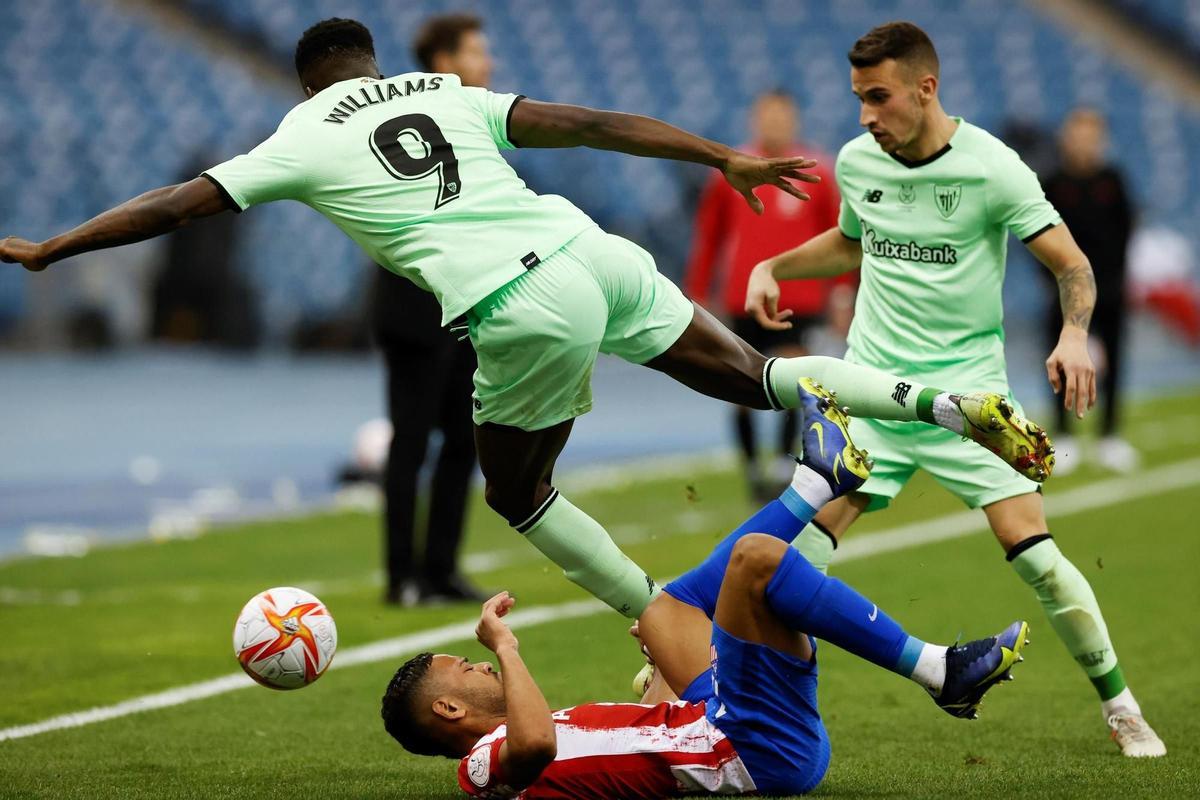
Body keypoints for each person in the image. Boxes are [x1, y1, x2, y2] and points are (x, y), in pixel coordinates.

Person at [1, 18, 1051, 636]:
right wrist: (717, 157)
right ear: (373, 63)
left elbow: (177, 203)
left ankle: (654, 614)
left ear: (313, 82)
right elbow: (589, 123)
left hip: (516, 301)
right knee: (758, 374)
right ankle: (934, 398)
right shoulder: (444, 91)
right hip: (587, 247)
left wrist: (55, 247)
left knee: (518, 487)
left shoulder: (298, 132)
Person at [745, 22, 1163, 757]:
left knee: (1035, 557)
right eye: (858, 100)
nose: (867, 116)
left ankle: (1122, 705)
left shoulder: (994, 169)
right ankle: (756, 712)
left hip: (971, 407)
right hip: (872, 393)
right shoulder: (856, 159)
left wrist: (1072, 336)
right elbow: (853, 239)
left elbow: (1074, 266)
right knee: (789, 563)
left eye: (879, 98)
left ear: (925, 88)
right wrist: (775, 266)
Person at [380, 381, 1030, 798]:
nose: (477, 665)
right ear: (449, 713)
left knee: (666, 611)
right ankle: (936, 667)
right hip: (754, 749)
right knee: (755, 560)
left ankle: (818, 479)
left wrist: (661, 662)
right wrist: (506, 648)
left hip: (727, 726)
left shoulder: (543, 730)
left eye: (473, 658)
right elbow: (535, 748)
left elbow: (654, 737)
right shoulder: (486, 767)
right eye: (462, 668)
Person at [372, 14, 494, 606]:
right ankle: (402, 578)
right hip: (415, 306)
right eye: (476, 52)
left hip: (464, 306)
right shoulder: (407, 122)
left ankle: (441, 568)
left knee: (463, 443)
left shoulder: (475, 117)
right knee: (412, 443)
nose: (487, 63)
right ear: (444, 62)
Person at [684, 90, 847, 501]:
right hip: (742, 298)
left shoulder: (817, 172)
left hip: (799, 297)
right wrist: (699, 292)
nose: (774, 124)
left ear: (795, 120)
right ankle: (752, 466)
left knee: (793, 379)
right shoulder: (732, 171)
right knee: (739, 384)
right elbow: (710, 236)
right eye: (767, 116)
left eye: (782, 116)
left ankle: (779, 460)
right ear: (754, 120)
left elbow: (841, 236)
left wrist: (843, 290)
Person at [1042, 108, 1137, 474]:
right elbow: (1039, 236)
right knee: (1058, 363)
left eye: (1091, 135)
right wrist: (1054, 281)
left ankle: (1109, 435)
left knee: (1115, 361)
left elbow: (1125, 232)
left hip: (1109, 290)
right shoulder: (1053, 182)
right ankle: (1064, 435)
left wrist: (1110, 281)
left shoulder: (1113, 180)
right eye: (1078, 134)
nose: (1084, 142)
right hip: (1062, 293)